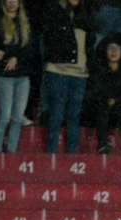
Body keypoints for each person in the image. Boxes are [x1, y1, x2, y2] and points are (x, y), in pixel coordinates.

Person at [41, 0, 94, 153]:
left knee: (74, 115)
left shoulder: (85, 14)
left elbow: (90, 42)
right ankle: (51, 153)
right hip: (57, 70)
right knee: (56, 113)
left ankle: (71, 155)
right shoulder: (53, 9)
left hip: (80, 73)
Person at [0, 0, 38, 153]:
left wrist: (17, 58)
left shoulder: (26, 22)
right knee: (5, 116)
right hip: (4, 74)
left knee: (18, 117)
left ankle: (12, 153)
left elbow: (32, 48)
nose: (12, 3)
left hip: (23, 75)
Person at [87, 33, 121, 153]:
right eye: (110, 48)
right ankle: (102, 145)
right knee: (102, 109)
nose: (113, 52)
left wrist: (117, 100)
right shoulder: (98, 69)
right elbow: (94, 91)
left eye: (117, 48)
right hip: (101, 105)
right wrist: (107, 99)